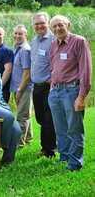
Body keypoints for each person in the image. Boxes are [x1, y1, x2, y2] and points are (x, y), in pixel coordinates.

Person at [48, 15, 92, 171]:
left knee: (74, 128)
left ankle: (74, 163)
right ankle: (64, 157)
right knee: (60, 129)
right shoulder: (53, 44)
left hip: (71, 91)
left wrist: (81, 96)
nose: (58, 29)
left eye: (60, 25)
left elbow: (85, 70)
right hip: (55, 92)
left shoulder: (79, 41)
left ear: (68, 25)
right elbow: (53, 67)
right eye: (54, 27)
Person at [30, 12, 56, 158]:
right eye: (37, 24)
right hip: (36, 86)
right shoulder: (34, 41)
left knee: (48, 119)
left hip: (48, 86)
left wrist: (52, 78)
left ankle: (49, 149)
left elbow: (58, 63)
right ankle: (47, 146)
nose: (39, 26)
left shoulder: (53, 40)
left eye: (42, 23)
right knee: (40, 117)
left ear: (48, 23)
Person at [10, 25, 33, 147]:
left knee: (21, 116)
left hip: (24, 88)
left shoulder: (25, 50)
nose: (18, 36)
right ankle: (28, 138)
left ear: (26, 35)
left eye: (20, 34)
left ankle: (19, 143)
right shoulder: (17, 48)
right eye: (16, 33)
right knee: (24, 113)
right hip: (17, 87)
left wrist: (20, 89)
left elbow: (27, 72)